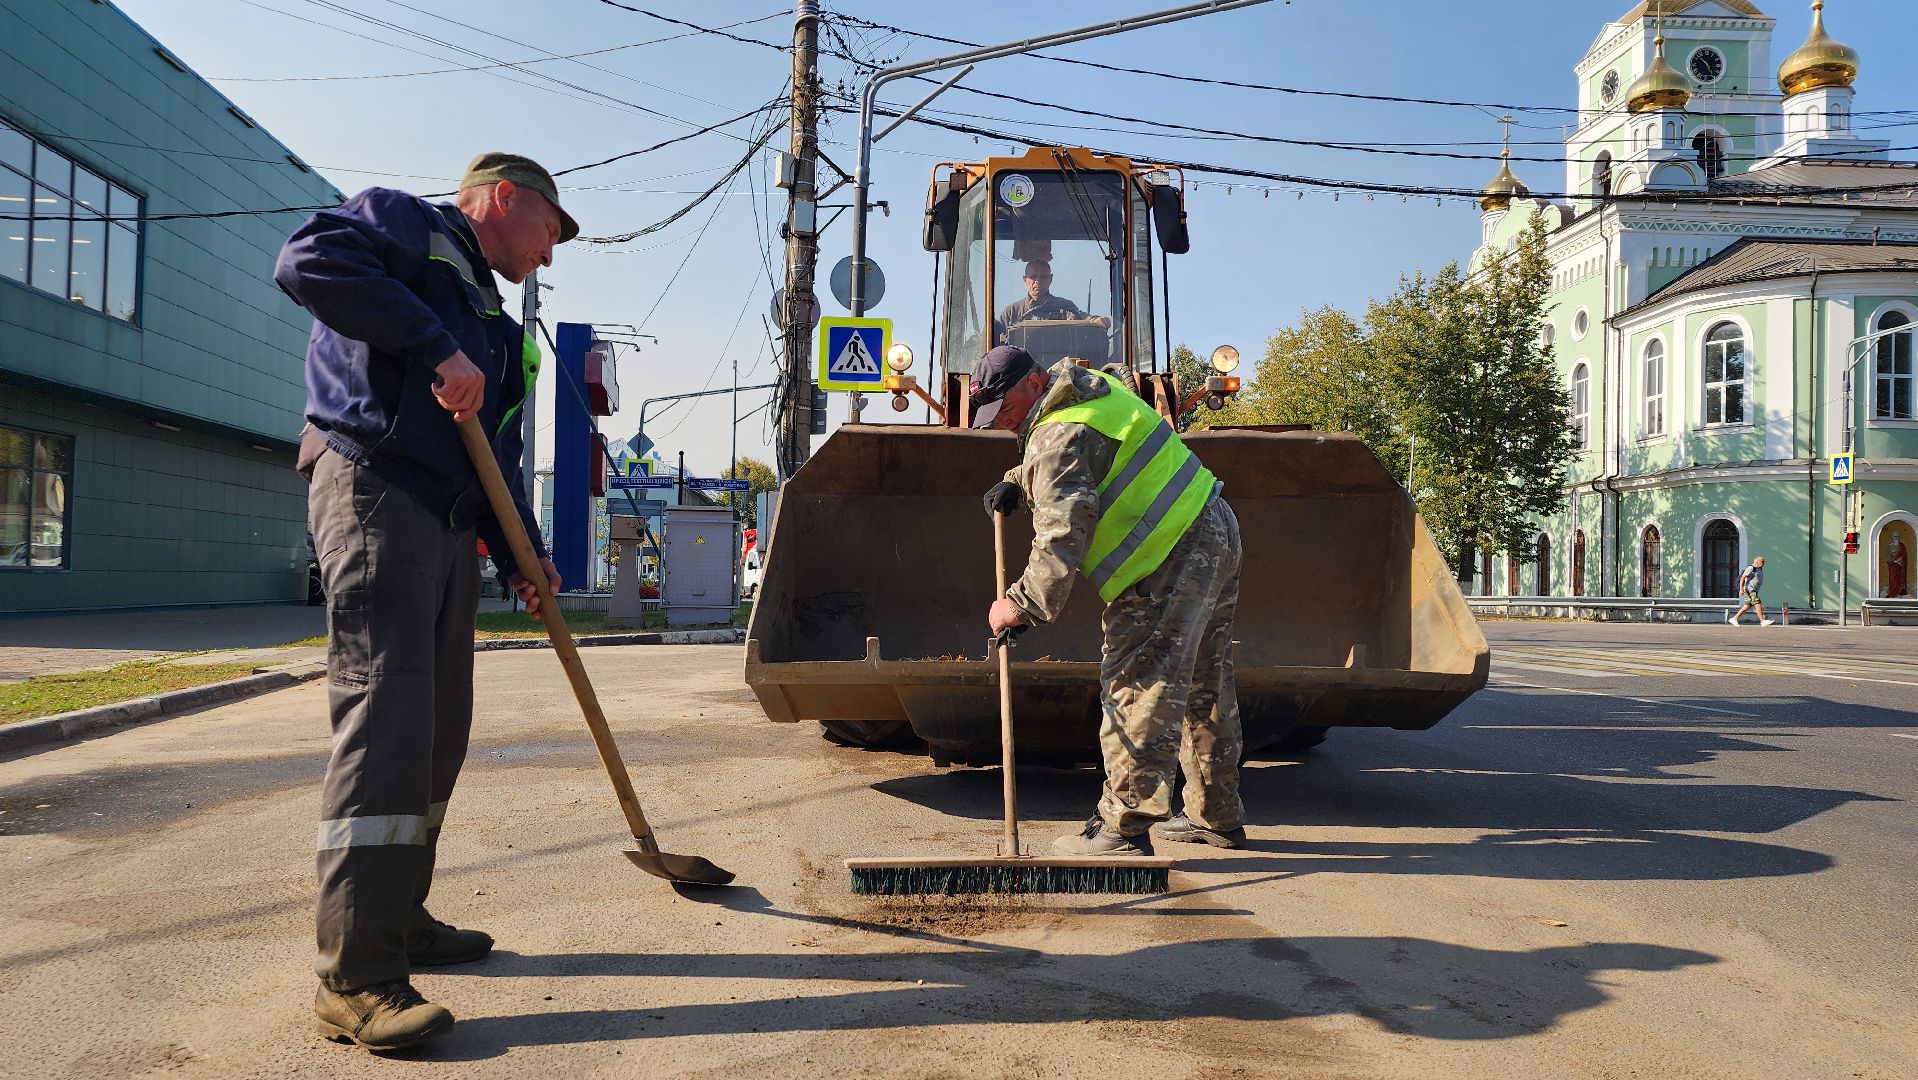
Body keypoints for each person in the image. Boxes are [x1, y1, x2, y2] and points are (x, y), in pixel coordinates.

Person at [275, 152, 576, 1051]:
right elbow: (307, 262)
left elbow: (492, 451)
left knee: (439, 725)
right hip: (376, 489)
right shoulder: (405, 223)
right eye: (552, 230)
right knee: (388, 715)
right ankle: (356, 977)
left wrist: (522, 552)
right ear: (504, 198)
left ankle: (401, 918)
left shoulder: (490, 316)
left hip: (444, 521)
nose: (552, 255)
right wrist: (432, 343)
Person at [973, 345, 1246, 856]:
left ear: (1035, 383)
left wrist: (1020, 604)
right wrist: (1017, 480)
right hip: (1215, 528)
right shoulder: (1096, 390)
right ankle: (1217, 814)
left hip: (1167, 556)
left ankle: (1124, 827)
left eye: (1005, 408)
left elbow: (1060, 536)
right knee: (1207, 679)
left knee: (1140, 684)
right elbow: (1089, 461)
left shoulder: (1057, 434)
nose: (1002, 423)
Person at [994, 260, 1111, 336]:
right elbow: (998, 342)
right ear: (1025, 280)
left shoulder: (1065, 307)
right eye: (1033, 277)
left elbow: (1082, 317)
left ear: (1050, 279)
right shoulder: (1011, 312)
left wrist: (1096, 320)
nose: (1038, 281)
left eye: (1043, 277)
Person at [1728, 555, 1773, 626]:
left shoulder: (1759, 569)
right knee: (1758, 603)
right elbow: (1742, 578)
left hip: (1754, 589)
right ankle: (1762, 621)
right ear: (1757, 561)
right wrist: (1741, 589)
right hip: (1750, 589)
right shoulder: (1751, 568)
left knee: (1747, 606)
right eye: (1762, 562)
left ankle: (1734, 619)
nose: (1763, 563)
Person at [1887, 533, 1908, 598]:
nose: (1896, 538)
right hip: (1893, 566)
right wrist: (1894, 561)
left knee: (1900, 578)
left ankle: (1900, 591)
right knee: (1893, 579)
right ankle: (1892, 593)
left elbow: (1904, 556)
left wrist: (1901, 560)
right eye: (1894, 536)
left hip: (1900, 566)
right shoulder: (1890, 546)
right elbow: (1887, 557)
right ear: (1892, 537)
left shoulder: (1902, 546)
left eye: (1897, 536)